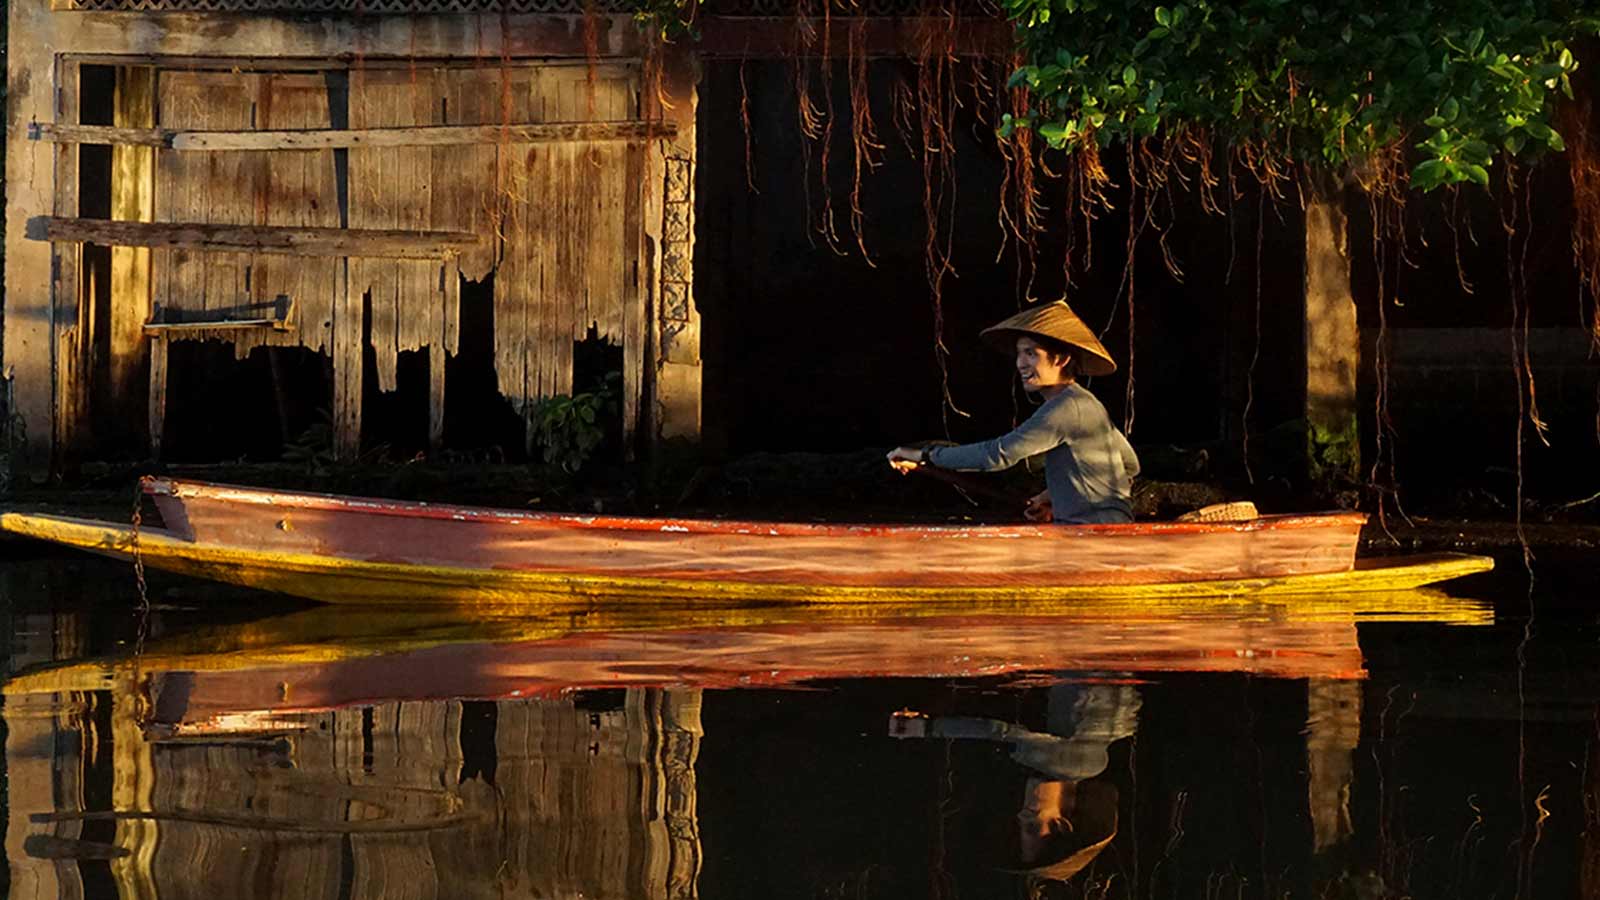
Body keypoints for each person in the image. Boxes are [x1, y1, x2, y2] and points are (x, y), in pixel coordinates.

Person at [887, 300, 1141, 524]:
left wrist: (926, 454)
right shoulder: (1086, 403)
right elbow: (1130, 465)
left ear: (1061, 359)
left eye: (1031, 353)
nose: (1020, 363)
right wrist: (1052, 497)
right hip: (1108, 529)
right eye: (1019, 354)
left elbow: (997, 455)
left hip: (1091, 535)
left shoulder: (1065, 409)